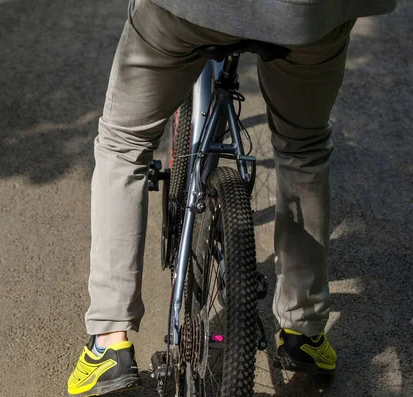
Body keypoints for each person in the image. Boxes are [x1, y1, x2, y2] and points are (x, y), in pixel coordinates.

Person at [67, 0, 397, 395]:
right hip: (307, 15)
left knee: (124, 142)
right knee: (303, 147)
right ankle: (303, 330)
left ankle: (108, 342)